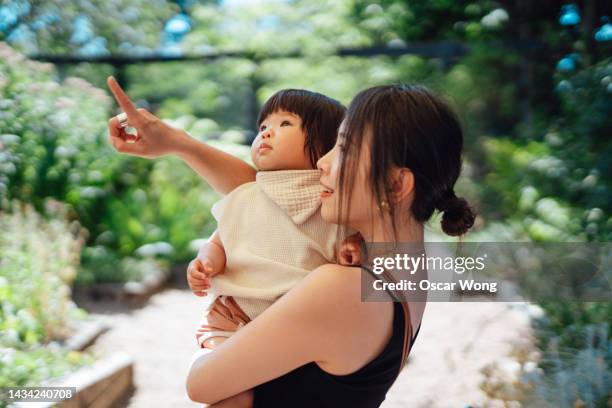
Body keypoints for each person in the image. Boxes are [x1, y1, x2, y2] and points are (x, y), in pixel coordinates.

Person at [106, 79, 475, 407]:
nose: (323, 164)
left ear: (396, 185)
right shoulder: (404, 268)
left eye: (342, 149)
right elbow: (265, 194)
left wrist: (211, 340)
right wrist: (177, 143)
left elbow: (201, 384)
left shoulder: (344, 287)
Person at [188, 88, 351, 349]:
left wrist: (354, 247)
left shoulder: (333, 201)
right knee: (226, 386)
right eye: (263, 125)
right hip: (233, 318)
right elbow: (219, 242)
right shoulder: (245, 195)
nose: (265, 132)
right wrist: (205, 262)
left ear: (326, 142)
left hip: (297, 324)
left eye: (285, 123)